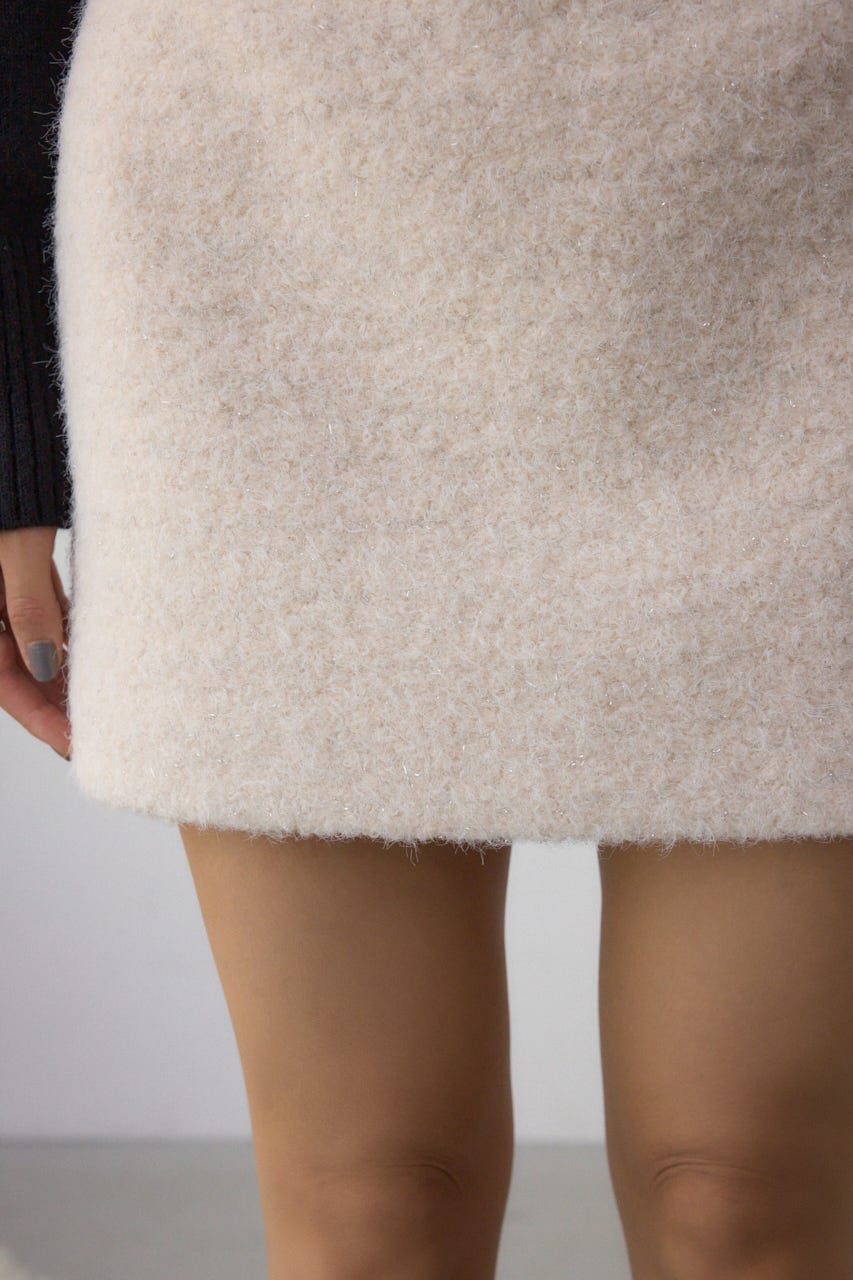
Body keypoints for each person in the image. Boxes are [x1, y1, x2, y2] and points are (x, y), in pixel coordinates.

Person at [2, 3, 851, 1277]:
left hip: (793, 185)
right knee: (370, 1199)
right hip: (261, 202)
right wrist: (13, 419)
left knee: (741, 1190)